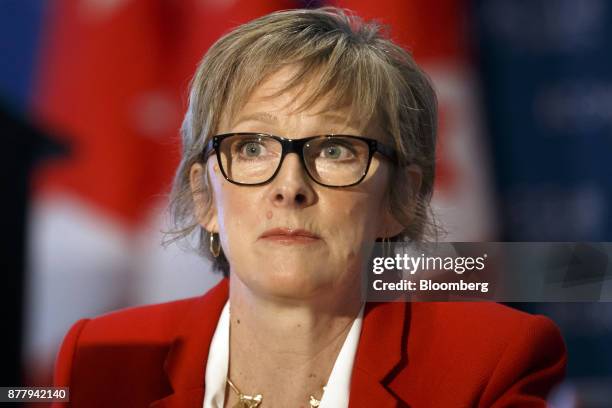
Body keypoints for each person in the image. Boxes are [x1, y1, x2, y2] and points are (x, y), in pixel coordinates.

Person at [52, 7, 566, 407]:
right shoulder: (100, 358)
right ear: (205, 197)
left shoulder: (489, 361)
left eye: (335, 150)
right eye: (252, 148)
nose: (290, 187)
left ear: (400, 200)